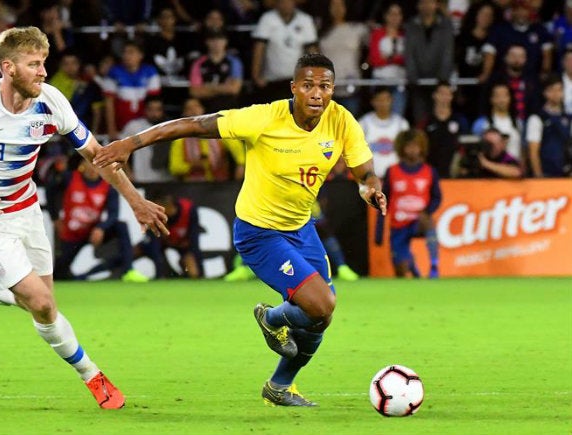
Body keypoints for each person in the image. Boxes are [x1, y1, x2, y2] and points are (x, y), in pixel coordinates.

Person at [92, 53, 387, 406]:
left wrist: (369, 188)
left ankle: (279, 386)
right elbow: (193, 124)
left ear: (332, 89)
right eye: (307, 85)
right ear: (294, 88)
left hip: (300, 227)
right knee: (322, 304)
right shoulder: (263, 117)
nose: (316, 94)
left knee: (320, 318)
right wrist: (130, 143)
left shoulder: (341, 121)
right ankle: (273, 316)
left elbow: (364, 172)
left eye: (324, 86)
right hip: (259, 233)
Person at [0, 26, 168, 410]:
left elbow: (97, 155)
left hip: (27, 210)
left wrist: (135, 201)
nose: (43, 72)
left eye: (44, 63)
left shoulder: (51, 102)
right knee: (42, 303)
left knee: (40, 300)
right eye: (34, 64)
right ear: (8, 68)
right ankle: (93, 376)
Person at [51, 159, 149, 282]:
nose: (93, 169)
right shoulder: (69, 178)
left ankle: (128, 270)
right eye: (90, 164)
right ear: (83, 165)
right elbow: (51, 190)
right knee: (60, 273)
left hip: (94, 231)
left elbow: (114, 213)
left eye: (96, 166)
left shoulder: (107, 185)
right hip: (72, 233)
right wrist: (54, 217)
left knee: (121, 226)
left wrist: (101, 227)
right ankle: (80, 277)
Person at [375, 129, 442, 278]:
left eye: (416, 146)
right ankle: (413, 268)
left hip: (418, 221)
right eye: (408, 146)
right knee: (401, 270)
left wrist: (427, 211)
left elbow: (437, 197)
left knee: (429, 222)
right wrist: (378, 232)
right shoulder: (392, 172)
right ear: (402, 148)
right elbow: (382, 201)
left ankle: (434, 266)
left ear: (421, 148)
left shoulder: (429, 171)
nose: (412, 150)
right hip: (398, 224)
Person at [137, 192, 204, 279]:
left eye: (159, 208)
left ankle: (190, 273)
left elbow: (194, 239)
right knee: (135, 251)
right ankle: (123, 270)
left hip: (182, 243)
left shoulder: (188, 209)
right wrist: (159, 273)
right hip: (162, 242)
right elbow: (153, 242)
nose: (156, 211)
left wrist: (197, 266)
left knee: (193, 272)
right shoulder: (154, 215)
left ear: (168, 206)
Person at [526, 75, 572, 177]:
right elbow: (533, 152)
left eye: (559, 90)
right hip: (545, 175)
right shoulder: (537, 118)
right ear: (545, 93)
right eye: (551, 90)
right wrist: (539, 177)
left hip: (565, 174)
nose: (556, 94)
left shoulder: (569, 119)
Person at [456, 127, 524, 178]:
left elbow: (516, 172)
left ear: (501, 144)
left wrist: (486, 164)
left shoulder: (506, 157)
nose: (492, 147)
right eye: (489, 144)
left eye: (495, 144)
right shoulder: (477, 155)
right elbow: (459, 173)